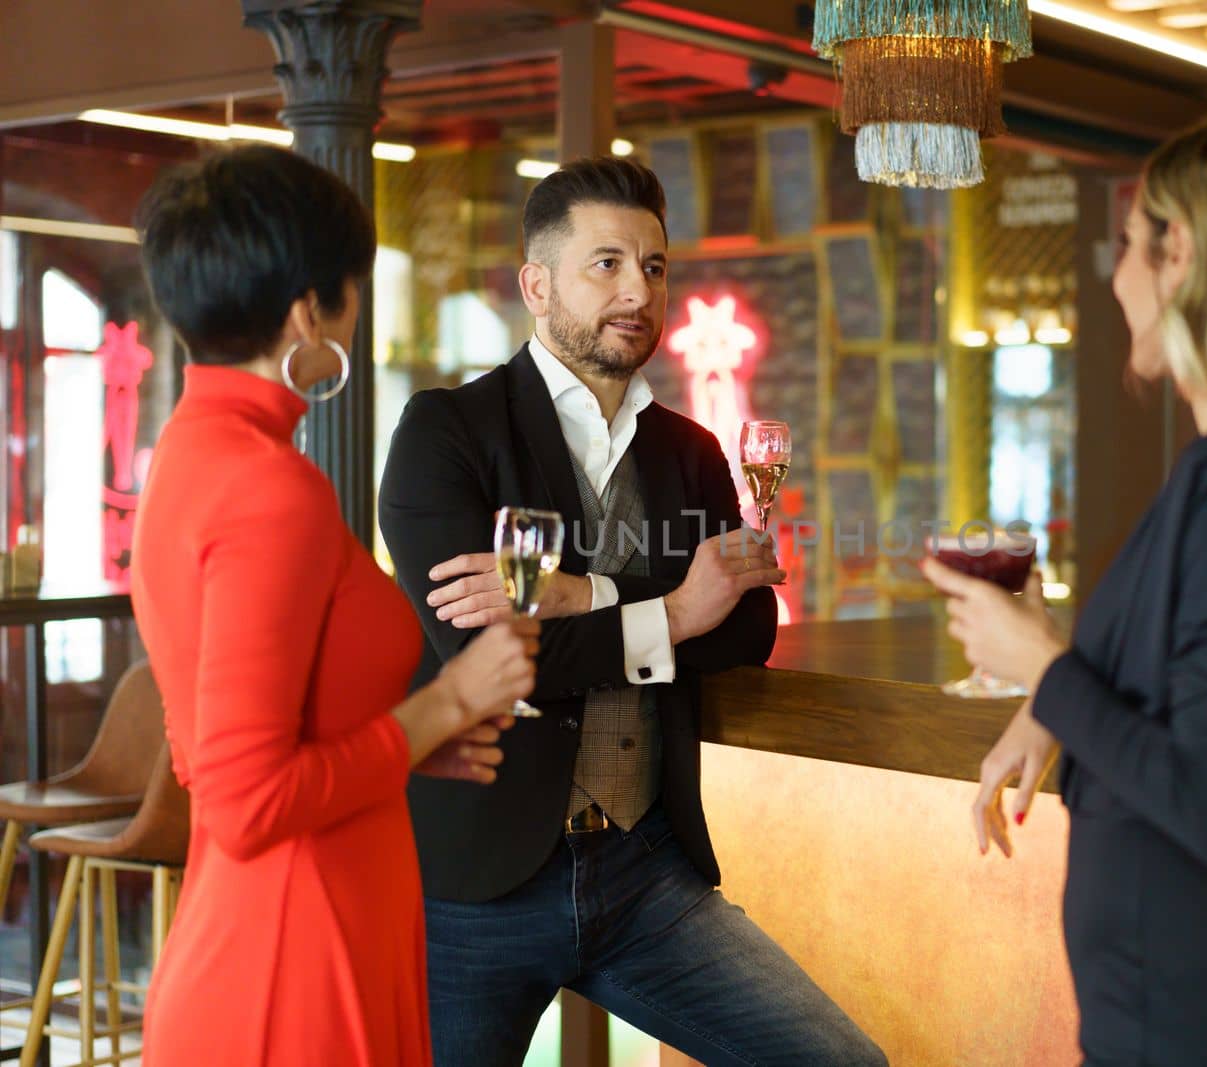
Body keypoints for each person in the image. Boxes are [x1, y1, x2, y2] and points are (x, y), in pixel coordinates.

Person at [378, 156, 885, 1067]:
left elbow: (750, 627)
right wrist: (676, 610)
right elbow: (487, 648)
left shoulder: (689, 451)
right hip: (472, 887)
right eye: (605, 263)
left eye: (653, 267)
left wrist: (595, 595)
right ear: (537, 284)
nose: (637, 291)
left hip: (644, 869)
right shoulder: (446, 433)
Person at [923, 116, 1207, 1067]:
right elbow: (1187, 695)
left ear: (1185, 256)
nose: (1117, 274)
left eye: (1130, 243)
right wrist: (1054, 702)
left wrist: (1043, 669)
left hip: (1199, 1030)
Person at [130, 145, 540, 1066]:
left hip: (301, 915)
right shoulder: (269, 489)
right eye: (355, 289)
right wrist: (452, 698)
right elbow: (246, 797)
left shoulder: (189, 458)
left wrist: (403, 743)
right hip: (295, 957)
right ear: (310, 311)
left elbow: (226, 734)